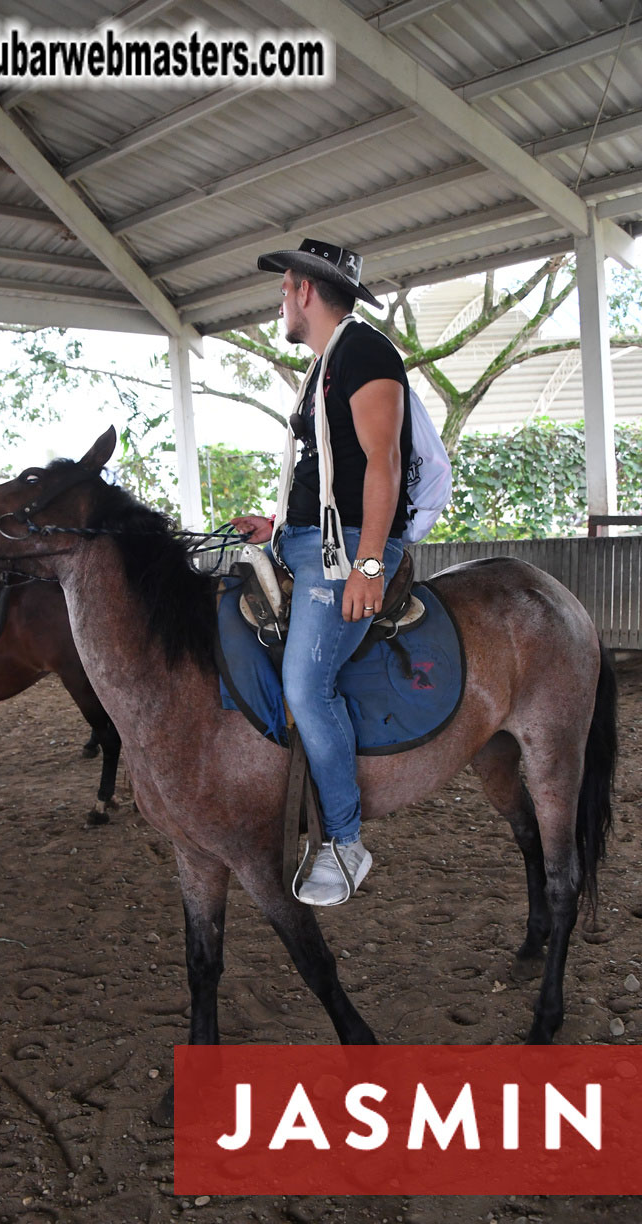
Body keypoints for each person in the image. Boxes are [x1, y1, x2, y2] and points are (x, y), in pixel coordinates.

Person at [232, 238, 412, 907]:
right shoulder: (324, 367)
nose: (281, 299)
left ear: (305, 289)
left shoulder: (364, 351)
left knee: (307, 685)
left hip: (347, 556)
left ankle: (343, 841)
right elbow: (329, 478)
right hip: (306, 542)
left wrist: (369, 563)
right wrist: (275, 528)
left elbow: (383, 463)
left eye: (283, 288)